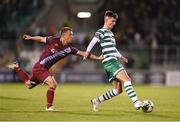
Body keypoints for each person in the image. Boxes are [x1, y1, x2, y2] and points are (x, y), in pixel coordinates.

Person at [7, 27, 103, 112]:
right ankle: (49, 107)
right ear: (64, 35)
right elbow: (41, 38)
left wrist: (98, 58)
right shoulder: (53, 40)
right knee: (52, 84)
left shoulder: (69, 49)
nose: (72, 37)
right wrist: (31, 37)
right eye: (70, 35)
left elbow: (84, 53)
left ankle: (16, 67)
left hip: (42, 69)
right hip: (40, 67)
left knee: (28, 85)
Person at [83, 10, 144, 112]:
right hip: (110, 62)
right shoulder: (100, 31)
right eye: (113, 21)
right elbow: (93, 41)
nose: (114, 23)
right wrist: (87, 52)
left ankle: (96, 101)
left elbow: (113, 49)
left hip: (111, 61)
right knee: (127, 79)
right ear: (107, 19)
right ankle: (136, 102)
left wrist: (121, 57)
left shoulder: (111, 34)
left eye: (115, 21)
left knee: (118, 90)